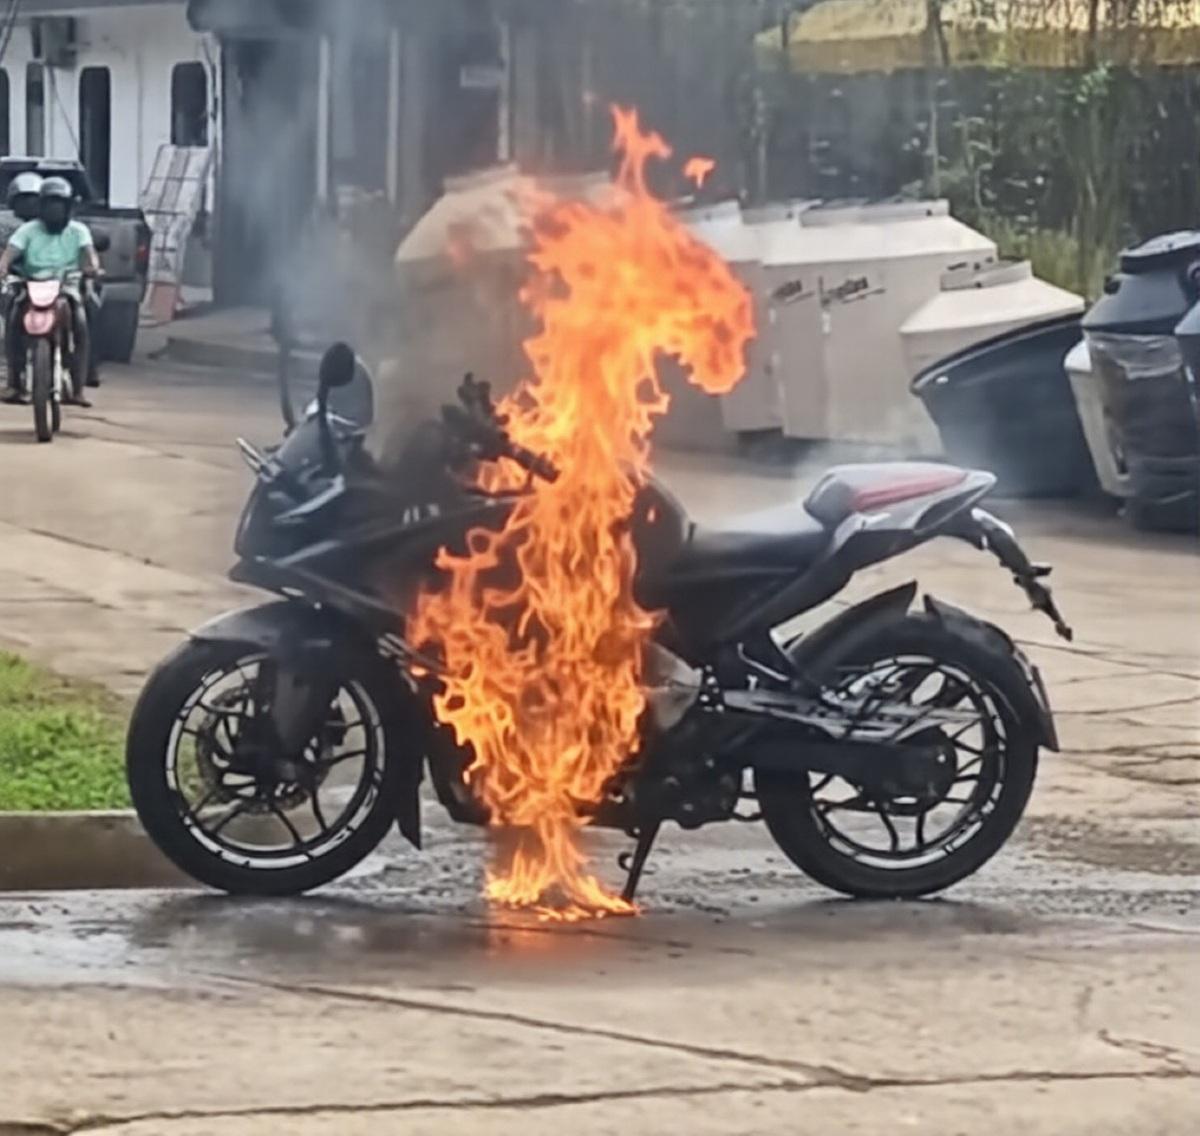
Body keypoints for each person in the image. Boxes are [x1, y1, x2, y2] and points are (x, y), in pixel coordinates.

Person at [0, 176, 101, 406]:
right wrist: (3, 267)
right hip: (32, 282)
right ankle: (15, 384)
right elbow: (10, 252)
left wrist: (92, 267)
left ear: (68, 207)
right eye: (49, 205)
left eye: (59, 205)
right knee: (15, 316)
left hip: (67, 285)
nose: (54, 210)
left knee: (81, 320)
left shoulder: (78, 230)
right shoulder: (28, 230)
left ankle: (78, 388)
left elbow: (89, 253)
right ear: (41, 207)